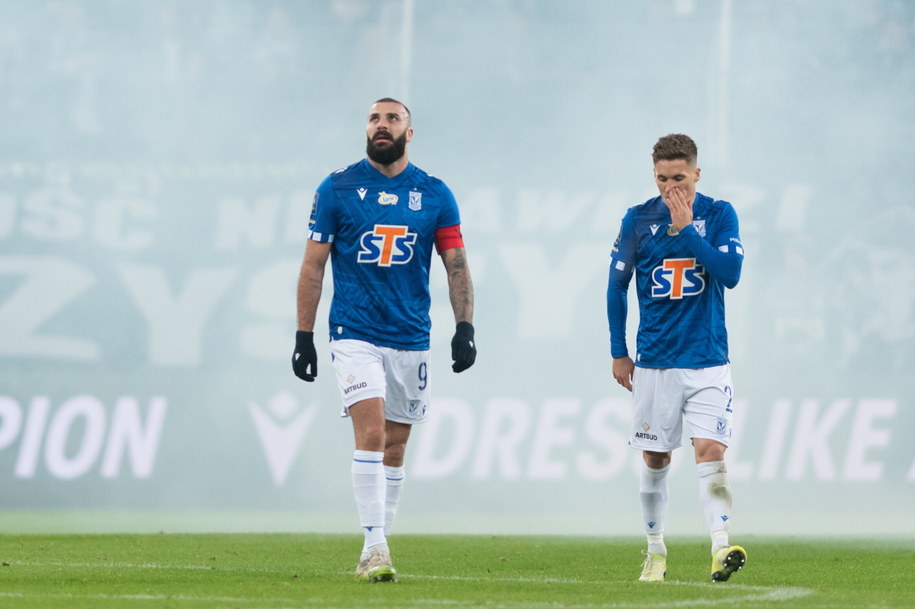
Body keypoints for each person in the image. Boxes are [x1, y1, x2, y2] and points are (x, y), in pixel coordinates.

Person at [292, 97, 476, 583]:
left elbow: (455, 263)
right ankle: (375, 547)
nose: (381, 125)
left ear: (408, 133)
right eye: (374, 118)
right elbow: (313, 266)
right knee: (371, 434)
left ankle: (377, 546)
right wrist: (303, 336)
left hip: (411, 336)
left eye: (392, 118)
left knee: (395, 446)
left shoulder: (434, 194)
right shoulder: (337, 188)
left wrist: (465, 327)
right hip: (354, 333)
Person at [606, 134, 746, 583]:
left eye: (680, 179)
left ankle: (721, 549)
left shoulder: (719, 214)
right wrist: (618, 351)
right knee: (656, 460)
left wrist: (687, 229)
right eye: (663, 180)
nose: (672, 190)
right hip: (655, 363)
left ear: (697, 174)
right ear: (654, 175)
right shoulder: (636, 220)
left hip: (708, 359)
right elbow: (616, 288)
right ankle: (655, 551)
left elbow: (731, 273)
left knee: (712, 452)